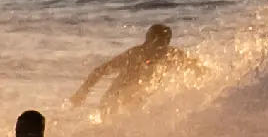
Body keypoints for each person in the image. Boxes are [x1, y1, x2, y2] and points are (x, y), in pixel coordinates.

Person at [71, 23, 199, 116]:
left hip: (138, 104)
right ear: (148, 41)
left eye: (163, 44)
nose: (159, 50)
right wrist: (82, 92)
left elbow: (198, 69)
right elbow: (100, 70)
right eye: (156, 44)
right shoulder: (134, 55)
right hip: (113, 102)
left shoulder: (171, 55)